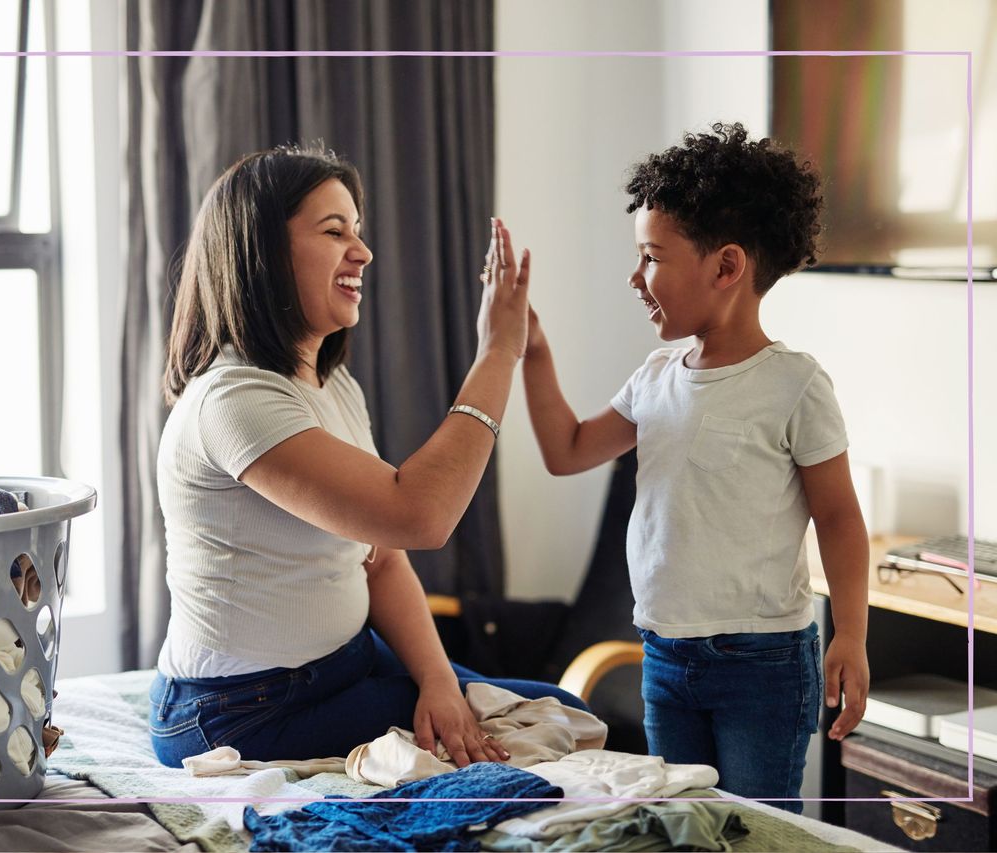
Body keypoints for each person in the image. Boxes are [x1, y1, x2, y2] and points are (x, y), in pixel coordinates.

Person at [149, 144, 589, 769]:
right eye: (335, 232)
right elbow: (420, 515)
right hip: (245, 710)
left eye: (358, 230)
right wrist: (497, 354)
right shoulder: (235, 400)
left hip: (348, 661)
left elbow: (381, 559)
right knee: (546, 733)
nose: (363, 252)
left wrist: (438, 682)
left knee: (561, 710)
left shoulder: (333, 386)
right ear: (262, 252)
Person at [520, 122, 869, 811]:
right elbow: (567, 451)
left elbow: (839, 516)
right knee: (682, 824)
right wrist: (530, 350)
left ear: (726, 266)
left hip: (762, 664)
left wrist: (851, 634)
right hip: (664, 657)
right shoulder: (654, 378)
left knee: (753, 826)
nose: (635, 278)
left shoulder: (794, 384)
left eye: (651, 257)